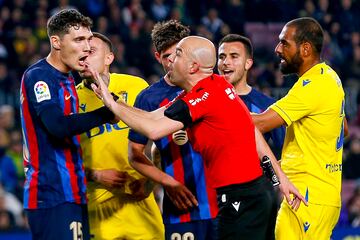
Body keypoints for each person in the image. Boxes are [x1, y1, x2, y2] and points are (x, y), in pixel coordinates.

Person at [91, 35, 307, 240]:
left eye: (178, 54)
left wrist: (110, 105)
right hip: (254, 194)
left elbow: (153, 130)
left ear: (192, 67)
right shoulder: (215, 85)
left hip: (242, 198)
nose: (170, 61)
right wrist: (113, 100)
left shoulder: (203, 98)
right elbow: (152, 117)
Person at [20, 9, 115, 240]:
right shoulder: (40, 76)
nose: (86, 47)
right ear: (56, 42)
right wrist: (108, 112)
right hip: (51, 194)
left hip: (73, 193)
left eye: (89, 40)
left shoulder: (69, 79)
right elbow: (58, 126)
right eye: (79, 40)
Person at [251, 17, 345, 239]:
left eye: (284, 43)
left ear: (305, 49)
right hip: (322, 196)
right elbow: (343, 127)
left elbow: (259, 124)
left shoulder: (311, 86)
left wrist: (217, 102)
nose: (277, 49)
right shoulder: (330, 78)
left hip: (306, 197)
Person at [128, 20, 218, 240]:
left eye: (180, 53)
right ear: (158, 57)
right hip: (181, 207)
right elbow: (134, 154)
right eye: (169, 55)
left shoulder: (214, 85)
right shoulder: (149, 98)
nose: (176, 61)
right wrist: (168, 182)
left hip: (221, 203)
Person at [76, 32, 164, 240]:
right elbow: (61, 159)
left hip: (140, 200)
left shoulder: (135, 86)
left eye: (91, 52)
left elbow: (159, 141)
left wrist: (151, 183)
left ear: (109, 58)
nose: (84, 57)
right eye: (82, 53)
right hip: (97, 207)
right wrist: (96, 174)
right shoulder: (70, 98)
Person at [217, 33, 286, 240]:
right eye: (221, 57)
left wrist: (268, 185)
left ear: (248, 63)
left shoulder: (266, 106)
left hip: (255, 205)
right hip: (211, 202)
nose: (226, 62)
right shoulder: (204, 100)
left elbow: (284, 154)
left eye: (233, 56)